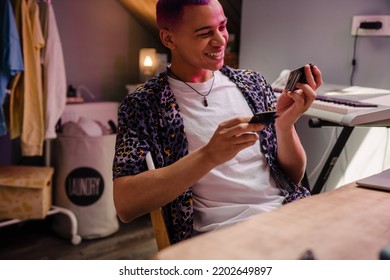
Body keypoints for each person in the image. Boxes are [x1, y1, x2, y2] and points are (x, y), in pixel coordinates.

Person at [112, 0, 323, 244]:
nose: (221, 40)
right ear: (169, 39)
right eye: (204, 33)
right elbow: (126, 204)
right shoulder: (144, 105)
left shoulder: (252, 84)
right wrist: (209, 155)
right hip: (225, 238)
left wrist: (284, 127)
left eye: (222, 27)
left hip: (290, 217)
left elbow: (293, 178)